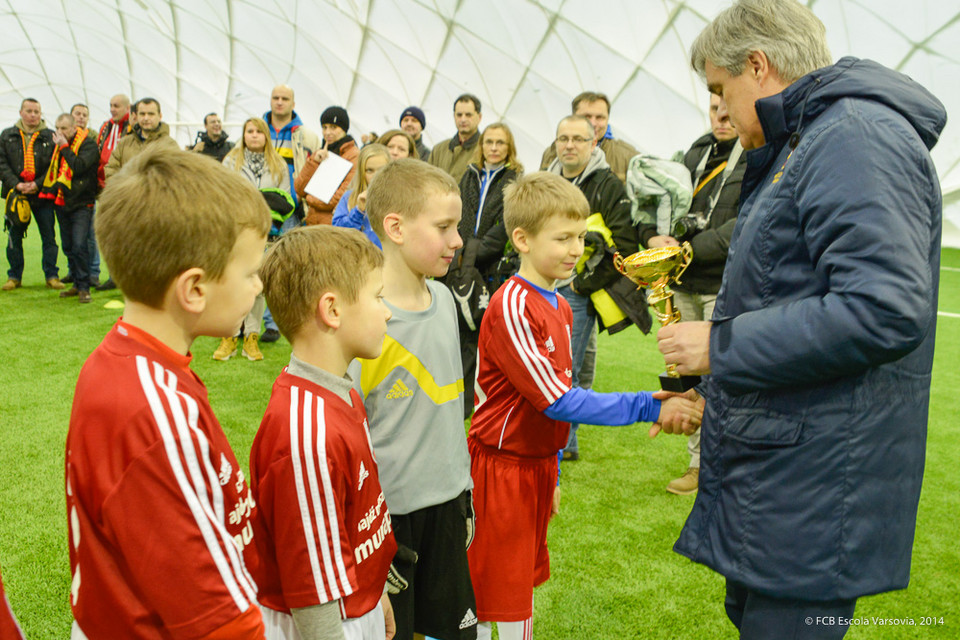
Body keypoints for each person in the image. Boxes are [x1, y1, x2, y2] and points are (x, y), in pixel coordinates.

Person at [655, 1, 946, 638]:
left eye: (718, 90)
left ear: (757, 66)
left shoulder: (854, 137)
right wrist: (717, 389)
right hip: (784, 481)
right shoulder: (810, 140)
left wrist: (721, 347)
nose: (721, 112)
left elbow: (882, 309)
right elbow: (788, 295)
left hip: (812, 492)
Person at [467, 172, 702, 640]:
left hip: (533, 466)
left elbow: (554, 399)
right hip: (502, 468)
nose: (577, 248)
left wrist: (551, 470)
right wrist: (648, 407)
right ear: (522, 239)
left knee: (515, 588)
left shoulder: (557, 301)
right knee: (497, 593)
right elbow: (556, 400)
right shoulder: (513, 304)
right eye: (563, 238)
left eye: (580, 235)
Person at [65, 147, 270, 638]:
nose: (258, 285)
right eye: (249, 273)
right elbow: (220, 622)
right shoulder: (155, 409)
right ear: (194, 289)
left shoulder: (129, 361)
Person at [349, 159, 477, 640]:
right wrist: (369, 537)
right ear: (395, 227)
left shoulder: (444, 301)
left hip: (448, 505)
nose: (458, 240)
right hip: (389, 519)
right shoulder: (363, 319)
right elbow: (345, 442)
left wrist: (462, 491)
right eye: (444, 227)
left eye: (458, 226)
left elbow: (447, 413)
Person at [252, 226, 398, 640]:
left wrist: (377, 592)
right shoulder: (306, 433)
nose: (387, 311)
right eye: (377, 297)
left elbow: (351, 523)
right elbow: (310, 586)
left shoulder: (342, 389)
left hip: (355, 606)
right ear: (331, 310)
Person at [640, 93, 745, 495]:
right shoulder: (696, 152)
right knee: (688, 378)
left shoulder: (755, 153)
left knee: (726, 378)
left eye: (727, 108)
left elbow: (746, 220)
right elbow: (662, 206)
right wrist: (655, 236)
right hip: (681, 282)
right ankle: (698, 465)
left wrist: (691, 249)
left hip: (724, 280)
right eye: (715, 108)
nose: (721, 115)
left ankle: (725, 467)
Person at [546, 115, 638, 461]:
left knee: (565, 366)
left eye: (578, 139)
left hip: (579, 290)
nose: (569, 145)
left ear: (593, 143)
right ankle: (567, 441)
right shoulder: (545, 182)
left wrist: (583, 285)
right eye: (563, 138)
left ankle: (561, 442)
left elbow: (624, 241)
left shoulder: (607, 184)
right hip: (547, 286)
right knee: (576, 365)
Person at [453, 122, 522, 415]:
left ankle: (486, 401)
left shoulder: (515, 181)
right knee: (461, 335)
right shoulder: (469, 177)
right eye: (489, 142)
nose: (493, 148)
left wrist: (470, 255)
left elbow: (504, 227)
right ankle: (461, 401)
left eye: (500, 143)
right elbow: (459, 216)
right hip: (459, 268)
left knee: (487, 338)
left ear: (509, 148)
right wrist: (460, 254)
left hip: (491, 271)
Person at [212, 116, 291, 362]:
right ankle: (230, 336)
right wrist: (260, 200)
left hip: (267, 235)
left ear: (266, 135)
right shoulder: (230, 161)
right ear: (243, 135)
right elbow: (222, 197)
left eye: (259, 131)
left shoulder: (278, 164)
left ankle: (251, 338)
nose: (254, 135)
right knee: (233, 283)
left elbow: (285, 201)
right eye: (249, 131)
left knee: (258, 287)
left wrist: (256, 202)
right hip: (235, 234)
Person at [262, 84, 321, 343]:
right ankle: (250, 323)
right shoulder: (257, 130)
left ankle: (276, 323)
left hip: (292, 211)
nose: (279, 102)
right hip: (261, 208)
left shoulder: (306, 135)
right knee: (258, 264)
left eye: (285, 98)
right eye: (275, 98)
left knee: (285, 266)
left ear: (293, 103)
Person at [0, 98, 61, 291]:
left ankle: (51, 275)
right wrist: (16, 184)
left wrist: (38, 184)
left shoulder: (50, 136)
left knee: (49, 236)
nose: (33, 115)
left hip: (42, 195)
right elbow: (1, 163)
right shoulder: (7, 135)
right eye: (29, 111)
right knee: (14, 237)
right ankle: (14, 276)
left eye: (37, 111)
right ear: (20, 112)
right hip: (15, 195)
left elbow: (55, 164)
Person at [41, 113, 99, 303]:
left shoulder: (88, 144)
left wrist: (64, 147)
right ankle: (75, 283)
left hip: (82, 203)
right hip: (61, 201)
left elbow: (79, 167)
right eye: (57, 128)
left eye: (64, 128)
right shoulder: (57, 146)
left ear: (74, 128)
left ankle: (84, 287)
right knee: (68, 246)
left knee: (80, 244)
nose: (59, 132)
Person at [539, 92, 638, 183]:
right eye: (586, 116)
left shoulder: (628, 157)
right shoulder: (551, 153)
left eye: (600, 117)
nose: (593, 123)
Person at [92, 94, 132, 292]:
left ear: (127, 107)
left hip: (125, 190)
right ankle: (113, 276)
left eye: (116, 106)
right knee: (110, 234)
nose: (112, 109)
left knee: (129, 235)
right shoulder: (106, 127)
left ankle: (129, 277)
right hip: (104, 189)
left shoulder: (132, 129)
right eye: (110, 106)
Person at [294, 106, 359, 225]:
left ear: (344, 129)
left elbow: (340, 197)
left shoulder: (353, 156)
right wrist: (314, 161)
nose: (328, 132)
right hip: (312, 222)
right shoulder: (321, 153)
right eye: (324, 127)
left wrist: (309, 199)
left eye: (334, 127)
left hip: (333, 225)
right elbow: (299, 188)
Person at [103, 98, 179, 180]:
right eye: (142, 114)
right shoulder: (125, 143)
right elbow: (111, 168)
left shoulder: (170, 145)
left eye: (151, 114)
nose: (146, 118)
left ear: (160, 116)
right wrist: (121, 188)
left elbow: (176, 175)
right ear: (136, 116)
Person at [332, 142, 390, 248]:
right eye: (369, 170)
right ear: (362, 172)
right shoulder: (349, 197)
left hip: (388, 261)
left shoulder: (398, 198)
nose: (376, 176)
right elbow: (337, 233)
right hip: (359, 260)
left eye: (381, 170)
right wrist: (358, 211)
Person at [428, 94, 482, 183]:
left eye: (468, 115)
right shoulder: (438, 150)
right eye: (459, 115)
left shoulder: (485, 151)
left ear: (479, 117)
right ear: (454, 116)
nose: (463, 119)